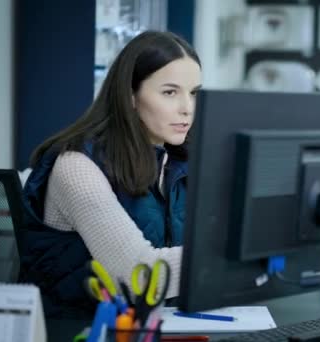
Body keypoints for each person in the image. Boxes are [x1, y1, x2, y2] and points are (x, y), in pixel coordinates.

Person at [16, 31, 202, 318]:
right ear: (131, 96)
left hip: (149, 327)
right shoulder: (76, 166)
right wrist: (226, 259)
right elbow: (137, 275)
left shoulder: (179, 161)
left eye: (193, 93)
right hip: (76, 332)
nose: (186, 108)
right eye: (170, 92)